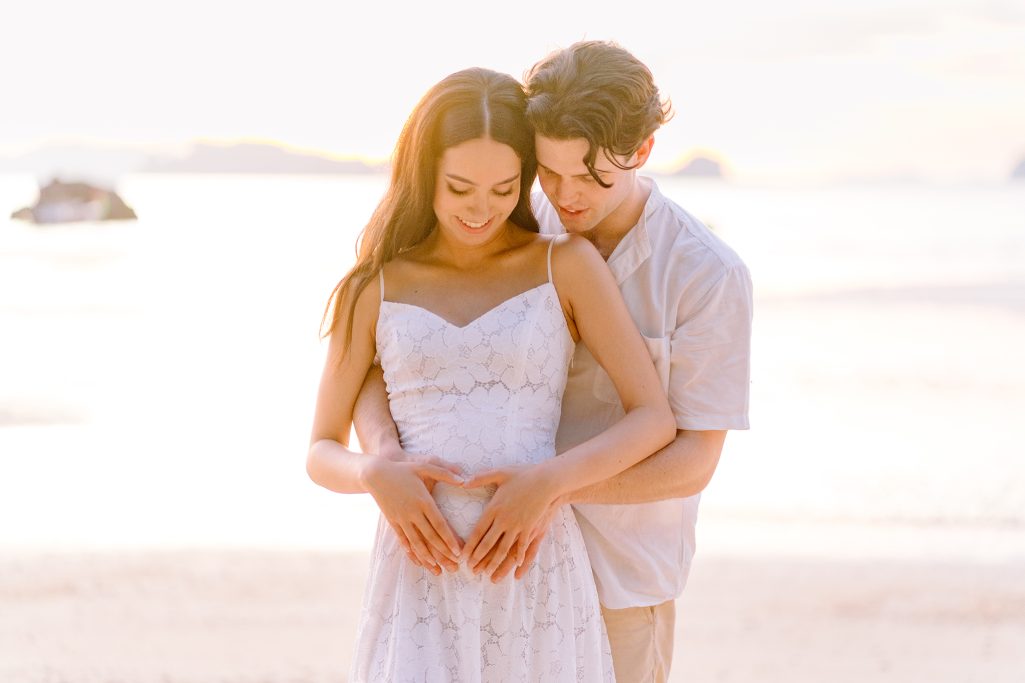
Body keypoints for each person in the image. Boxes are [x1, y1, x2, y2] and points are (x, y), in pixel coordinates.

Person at [354, 43, 753, 683]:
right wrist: (381, 455)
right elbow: (390, 347)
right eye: (549, 170)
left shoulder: (706, 274)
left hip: (621, 580)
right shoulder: (511, 218)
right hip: (482, 574)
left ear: (643, 150)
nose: (565, 197)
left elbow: (692, 462)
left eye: (591, 176)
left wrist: (546, 490)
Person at [306, 67, 676, 682]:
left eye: (505, 189)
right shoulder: (373, 285)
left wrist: (549, 483)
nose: (482, 210)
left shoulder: (567, 264)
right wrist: (374, 474)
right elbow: (321, 448)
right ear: (423, 176)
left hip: (534, 566)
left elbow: (653, 417)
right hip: (418, 576)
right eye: (459, 188)